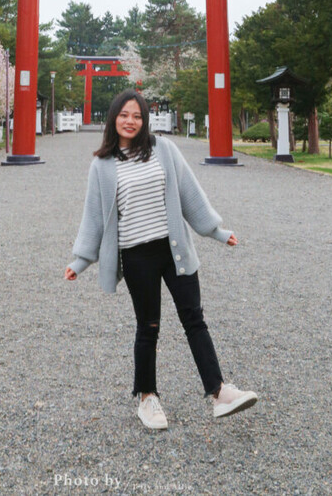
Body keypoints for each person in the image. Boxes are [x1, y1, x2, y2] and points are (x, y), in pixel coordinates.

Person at [64, 89, 257, 430]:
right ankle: (147, 398)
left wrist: (215, 230)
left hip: (174, 249)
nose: (130, 121)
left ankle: (219, 392)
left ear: (144, 120)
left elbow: (189, 193)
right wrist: (80, 261)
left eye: (137, 116)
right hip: (137, 255)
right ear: (114, 118)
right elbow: (94, 217)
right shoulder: (102, 165)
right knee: (148, 326)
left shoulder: (162, 149)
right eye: (124, 115)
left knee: (194, 319)